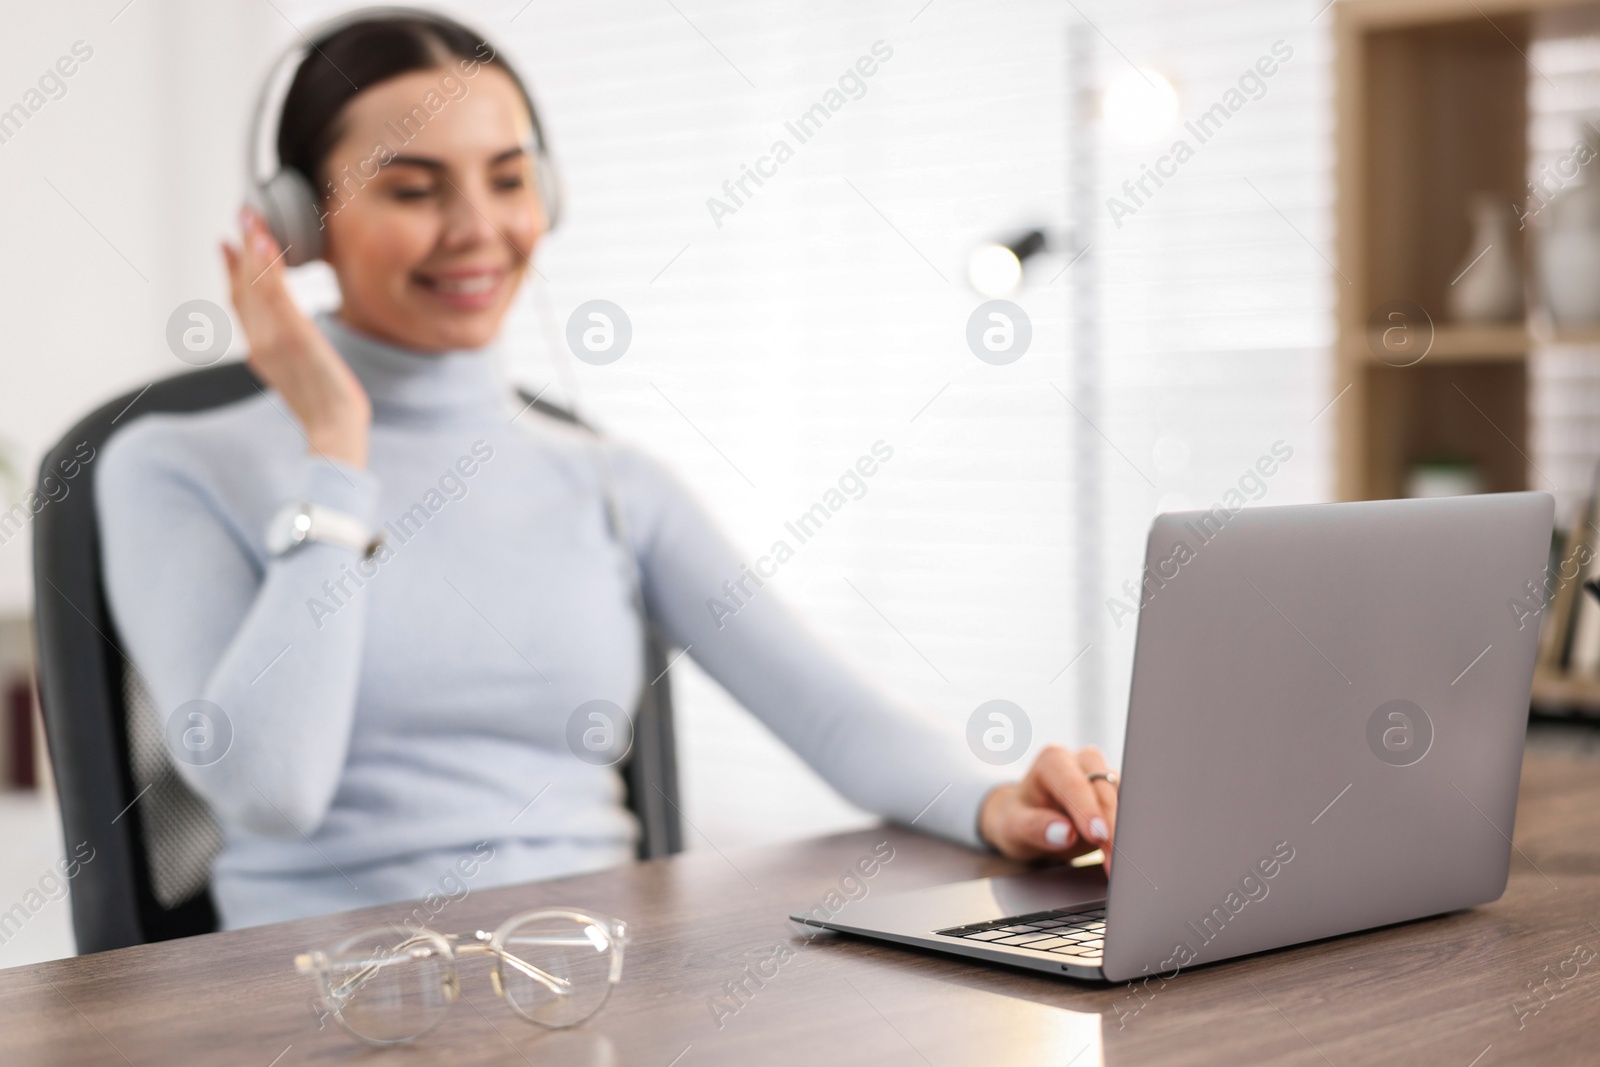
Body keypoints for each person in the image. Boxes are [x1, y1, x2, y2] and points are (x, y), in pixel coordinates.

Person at [96, 10, 1119, 930]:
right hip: (324, 1006)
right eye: (412, 188)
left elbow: (830, 712)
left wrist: (994, 799)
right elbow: (269, 786)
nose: (477, 229)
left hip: (588, 985)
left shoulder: (611, 481)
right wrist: (335, 448)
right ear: (295, 222)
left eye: (508, 178)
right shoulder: (172, 465)